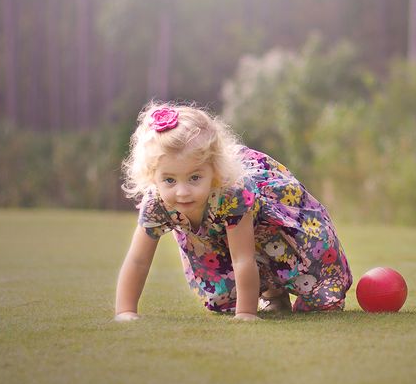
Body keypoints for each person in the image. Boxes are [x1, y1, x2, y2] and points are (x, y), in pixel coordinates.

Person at [114, 103, 352, 320]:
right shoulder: (157, 203)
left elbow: (243, 258)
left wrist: (246, 314)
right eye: (169, 180)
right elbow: (138, 260)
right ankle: (273, 294)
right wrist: (125, 311)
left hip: (272, 228)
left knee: (318, 297)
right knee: (224, 296)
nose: (182, 192)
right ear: (152, 175)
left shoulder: (230, 193)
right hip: (218, 240)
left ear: (214, 171)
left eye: (195, 177)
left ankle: (281, 290)